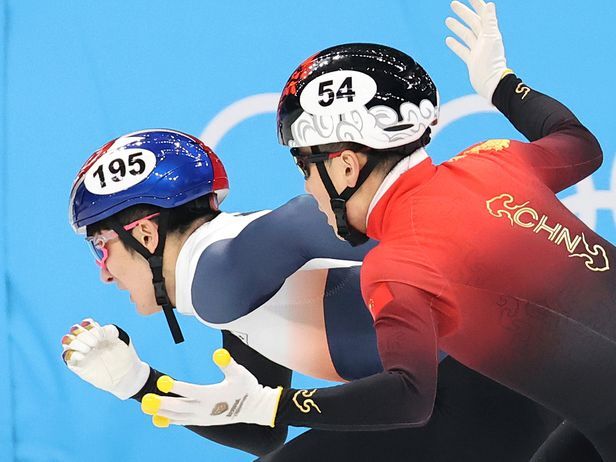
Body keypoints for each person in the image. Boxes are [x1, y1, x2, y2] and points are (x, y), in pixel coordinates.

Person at [139, 1, 614, 461]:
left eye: (305, 169)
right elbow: (580, 146)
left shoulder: (398, 265)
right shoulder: (493, 161)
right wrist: (500, 83)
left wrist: (271, 404)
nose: (307, 189)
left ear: (345, 166)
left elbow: (408, 398)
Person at [62, 129, 562, 461]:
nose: (104, 275)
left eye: (100, 249)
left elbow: (304, 218)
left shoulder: (217, 274)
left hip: (491, 387)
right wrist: (138, 382)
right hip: (502, 387)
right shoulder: (225, 285)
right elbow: (262, 430)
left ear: (145, 234)